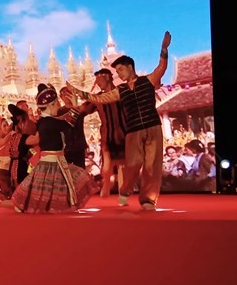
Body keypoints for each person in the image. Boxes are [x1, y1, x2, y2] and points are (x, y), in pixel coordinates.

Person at [66, 30, 171, 210]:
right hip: (133, 131)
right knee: (132, 164)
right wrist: (77, 92)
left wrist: (163, 49)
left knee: (151, 166)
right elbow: (98, 99)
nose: (119, 74)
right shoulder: (119, 91)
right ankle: (125, 191)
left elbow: (161, 68)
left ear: (130, 67)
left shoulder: (149, 80)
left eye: (121, 70)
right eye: (117, 71)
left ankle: (148, 200)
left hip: (153, 127)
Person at [0, 84, 98, 213]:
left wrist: (75, 107)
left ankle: (0, 203)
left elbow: (64, 120)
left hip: (54, 162)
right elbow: (68, 122)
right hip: (53, 163)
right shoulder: (48, 122)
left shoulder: (45, 121)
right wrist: (75, 107)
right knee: (32, 197)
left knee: (32, 196)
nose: (59, 105)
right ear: (51, 105)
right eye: (57, 103)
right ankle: (0, 202)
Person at [92, 68, 127, 197]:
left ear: (107, 77)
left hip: (123, 135)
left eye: (99, 80)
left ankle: (122, 193)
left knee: (123, 165)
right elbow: (83, 110)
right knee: (107, 165)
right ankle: (106, 184)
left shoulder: (122, 92)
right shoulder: (97, 98)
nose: (97, 83)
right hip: (107, 136)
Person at [58, 86, 96, 168]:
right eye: (64, 94)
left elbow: (92, 104)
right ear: (61, 97)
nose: (67, 95)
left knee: (80, 171)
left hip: (79, 146)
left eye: (68, 93)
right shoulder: (59, 112)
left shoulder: (80, 109)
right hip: (65, 147)